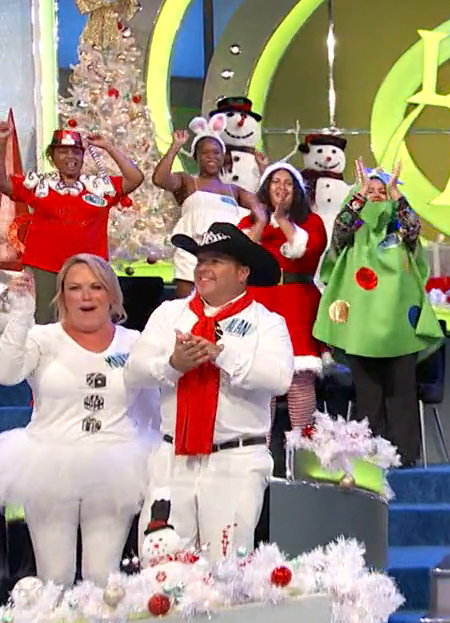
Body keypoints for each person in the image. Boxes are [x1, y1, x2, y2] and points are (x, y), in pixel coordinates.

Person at [124, 222, 292, 560]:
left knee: (226, 570)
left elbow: (279, 379)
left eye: (215, 261)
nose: (203, 268)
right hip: (172, 459)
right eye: (201, 260)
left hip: (236, 460)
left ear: (242, 272)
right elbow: (133, 372)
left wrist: (221, 354)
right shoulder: (169, 313)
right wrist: (174, 364)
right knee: (160, 566)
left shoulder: (267, 322)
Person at [0, 255, 159, 586]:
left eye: (96, 287)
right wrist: (20, 316)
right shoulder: (42, 338)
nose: (86, 296)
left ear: (111, 294)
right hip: (48, 464)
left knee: (102, 577)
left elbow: (151, 410)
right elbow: (7, 373)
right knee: (55, 576)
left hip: (115, 465)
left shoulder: (134, 342)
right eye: (75, 288)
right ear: (62, 295)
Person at [312, 160, 443, 466]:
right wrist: (359, 194)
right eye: (369, 189)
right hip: (361, 327)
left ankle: (404, 460)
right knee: (368, 397)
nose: (375, 194)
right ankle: (368, 460)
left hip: (400, 327)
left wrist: (396, 193)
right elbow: (339, 230)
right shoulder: (353, 232)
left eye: (380, 190)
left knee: (402, 397)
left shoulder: (400, 230)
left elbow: (414, 227)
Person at [0, 123, 143, 324]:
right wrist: (2, 141)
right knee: (45, 323)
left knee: (88, 322)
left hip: (89, 268)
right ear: (52, 156)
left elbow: (135, 178)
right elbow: (3, 183)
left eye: (76, 152)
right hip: (44, 268)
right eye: (63, 151)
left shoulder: (99, 187)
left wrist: (108, 147)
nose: (70, 157)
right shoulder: (39, 185)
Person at [241, 162, 327, 431]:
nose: (281, 187)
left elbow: (305, 250)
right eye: (275, 182)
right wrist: (262, 222)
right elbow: (241, 253)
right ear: (266, 188)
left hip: (298, 303)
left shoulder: (312, 222)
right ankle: (258, 447)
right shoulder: (249, 222)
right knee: (262, 379)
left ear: (297, 190)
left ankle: (304, 446)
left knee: (299, 378)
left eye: (288, 183)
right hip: (259, 302)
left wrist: (282, 221)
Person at [153, 120, 265, 299]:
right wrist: (175, 147)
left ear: (223, 157)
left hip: (224, 259)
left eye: (216, 152)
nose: (211, 157)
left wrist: (263, 169)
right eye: (204, 153)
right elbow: (160, 179)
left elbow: (264, 203)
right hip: (192, 256)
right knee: (187, 307)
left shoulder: (234, 190)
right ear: (196, 156)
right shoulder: (187, 182)